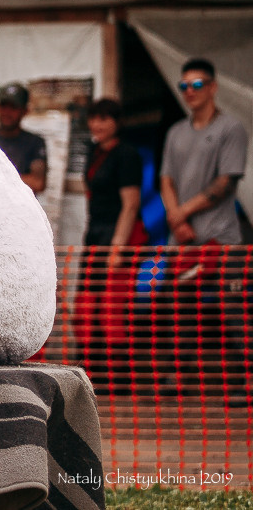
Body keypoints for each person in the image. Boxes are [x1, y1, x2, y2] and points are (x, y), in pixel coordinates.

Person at [75, 98, 144, 393]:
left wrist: (118, 246)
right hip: (95, 234)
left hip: (117, 236)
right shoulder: (94, 151)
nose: (97, 124)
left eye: (104, 118)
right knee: (87, 304)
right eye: (94, 118)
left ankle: (119, 377)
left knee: (113, 309)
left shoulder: (127, 154)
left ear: (117, 122)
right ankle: (93, 371)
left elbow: (131, 205)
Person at [160, 58, 248, 247]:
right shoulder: (175, 132)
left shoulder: (231, 128)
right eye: (184, 86)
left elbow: (225, 183)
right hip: (180, 239)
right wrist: (177, 220)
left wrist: (182, 212)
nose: (189, 91)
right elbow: (166, 180)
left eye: (197, 85)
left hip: (218, 238)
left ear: (212, 87)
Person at [0, 82, 47, 194]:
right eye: (3, 106)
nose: (7, 112)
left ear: (25, 111)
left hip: (19, 205)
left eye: (13, 107)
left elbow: (38, 183)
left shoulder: (35, 143)